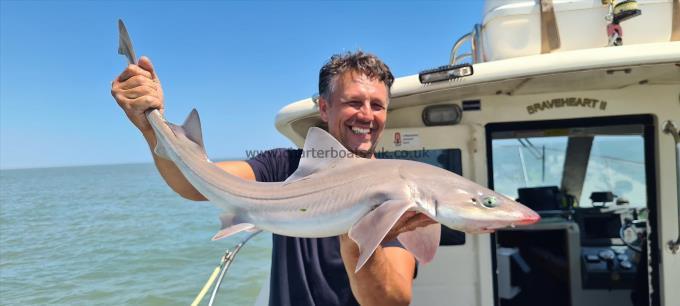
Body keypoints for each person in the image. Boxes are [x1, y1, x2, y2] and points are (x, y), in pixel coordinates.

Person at [111, 51, 436, 306]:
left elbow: (390, 301)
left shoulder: (402, 190)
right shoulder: (284, 168)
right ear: (324, 108)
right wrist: (149, 125)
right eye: (354, 102)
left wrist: (358, 238)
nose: (367, 114)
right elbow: (196, 185)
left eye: (377, 105)